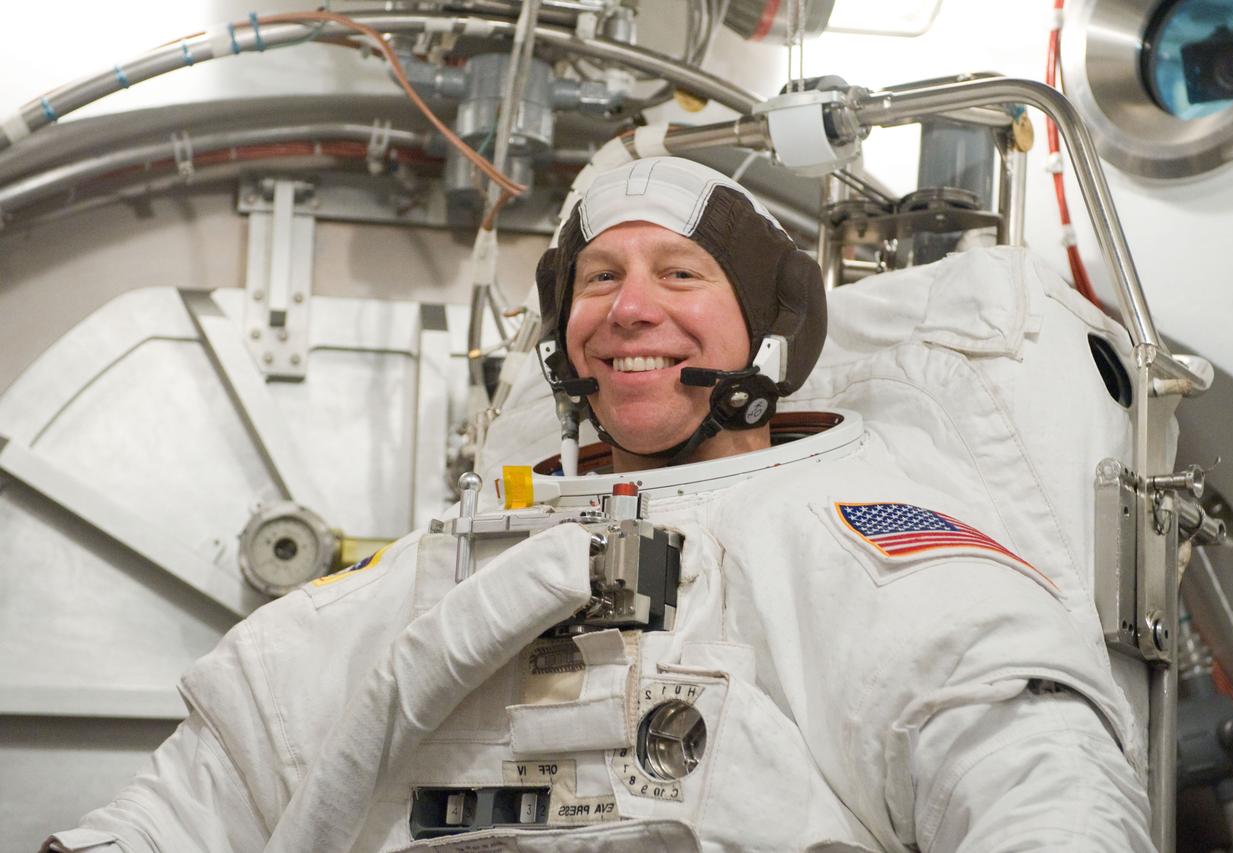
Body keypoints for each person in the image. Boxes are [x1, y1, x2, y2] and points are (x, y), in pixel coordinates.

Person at [44, 156, 1155, 852]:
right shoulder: (458, 561)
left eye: (680, 274)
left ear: (768, 329)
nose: (630, 309)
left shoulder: (858, 539)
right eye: (599, 278)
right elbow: (231, 759)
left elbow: (1027, 776)